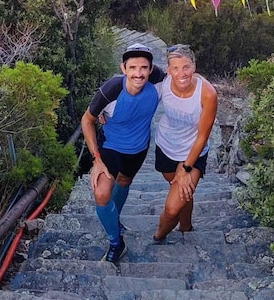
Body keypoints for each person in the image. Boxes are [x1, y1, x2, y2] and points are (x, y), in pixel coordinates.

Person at [81, 42, 165, 265]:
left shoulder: (157, 80)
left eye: (144, 68)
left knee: (124, 182)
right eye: (133, 68)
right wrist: (96, 159)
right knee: (101, 193)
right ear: (123, 68)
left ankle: (114, 220)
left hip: (138, 149)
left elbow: (183, 78)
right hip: (110, 147)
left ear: (151, 68)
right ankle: (116, 242)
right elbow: (87, 120)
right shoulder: (112, 90)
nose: (139, 73)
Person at [152, 44, 218, 242]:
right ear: (168, 69)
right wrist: (106, 110)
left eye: (186, 67)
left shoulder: (207, 93)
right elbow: (133, 88)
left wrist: (186, 167)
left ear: (194, 66)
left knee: (172, 209)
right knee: (183, 190)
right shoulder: (163, 83)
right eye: (176, 68)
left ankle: (158, 238)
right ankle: (186, 226)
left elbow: (203, 136)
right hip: (165, 147)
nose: (181, 73)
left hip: (193, 153)